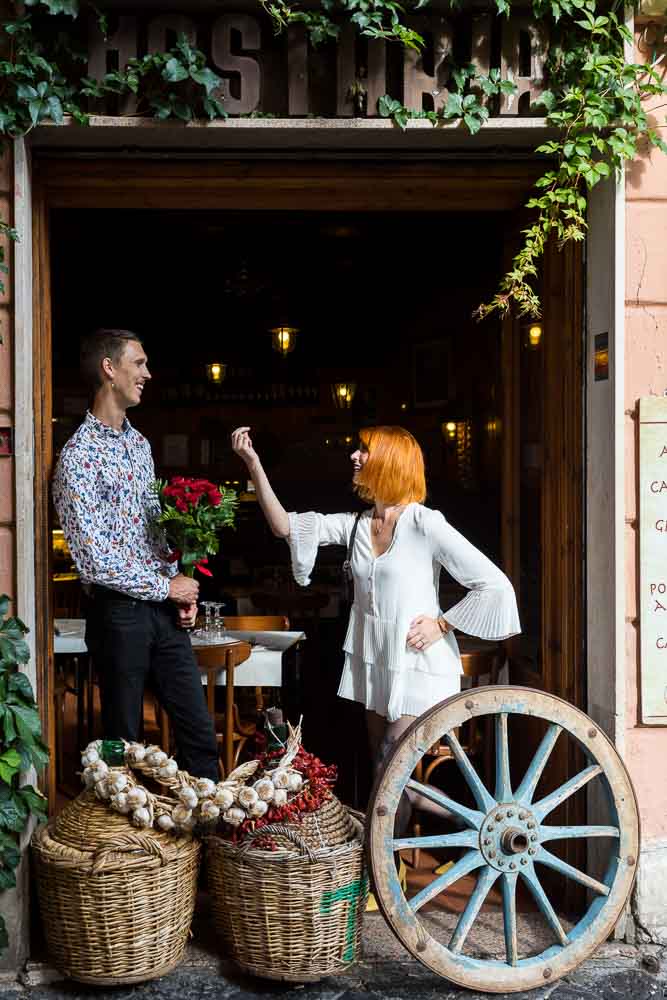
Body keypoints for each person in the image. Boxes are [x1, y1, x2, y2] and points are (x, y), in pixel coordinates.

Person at [231, 423, 520, 818]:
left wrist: (443, 625)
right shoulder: (357, 525)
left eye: (364, 449)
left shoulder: (424, 524)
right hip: (375, 662)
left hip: (418, 664)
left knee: (389, 771)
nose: (354, 455)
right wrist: (253, 463)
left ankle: (473, 822)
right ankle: (392, 870)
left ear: (390, 461)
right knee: (385, 776)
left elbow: (494, 585)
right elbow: (285, 526)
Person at [53, 329, 218, 781]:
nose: (147, 373)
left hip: (163, 613)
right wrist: (165, 585)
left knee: (199, 733)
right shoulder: (77, 456)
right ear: (110, 369)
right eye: (139, 363)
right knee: (120, 741)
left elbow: (153, 534)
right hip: (117, 615)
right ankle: (123, 843)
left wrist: (178, 589)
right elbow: (93, 560)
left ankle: (206, 842)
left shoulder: (140, 445)